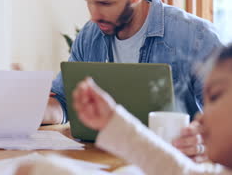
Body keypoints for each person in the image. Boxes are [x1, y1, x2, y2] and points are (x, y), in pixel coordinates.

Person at [43, 0, 222, 158]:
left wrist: (202, 140)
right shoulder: (90, 36)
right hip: (100, 161)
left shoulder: (197, 38)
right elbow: (63, 102)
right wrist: (27, 112)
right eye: (88, 2)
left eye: (105, 4)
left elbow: (226, 122)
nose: (94, 15)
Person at [20, 44, 232, 175]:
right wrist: (112, 119)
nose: (201, 117)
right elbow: (180, 171)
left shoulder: (193, 34)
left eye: (215, 96)